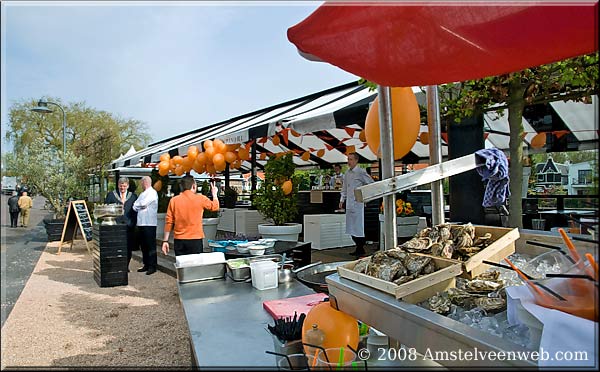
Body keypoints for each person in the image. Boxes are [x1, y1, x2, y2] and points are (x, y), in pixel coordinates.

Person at [162, 176, 219, 257]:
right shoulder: (200, 198)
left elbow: (169, 222)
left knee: (182, 266)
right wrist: (215, 194)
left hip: (179, 239)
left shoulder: (174, 200)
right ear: (194, 186)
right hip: (195, 238)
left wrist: (165, 241)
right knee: (195, 266)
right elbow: (215, 207)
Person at [339, 153, 374, 256]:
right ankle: (358, 247)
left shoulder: (361, 172)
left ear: (356, 160)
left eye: (350, 159)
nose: (348, 162)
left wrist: (365, 197)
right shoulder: (347, 173)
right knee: (350, 227)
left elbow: (371, 183)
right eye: (348, 159)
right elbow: (344, 188)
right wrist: (342, 200)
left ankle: (360, 247)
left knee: (358, 227)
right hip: (349, 203)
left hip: (358, 204)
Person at [105, 177, 138, 271]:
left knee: (128, 247)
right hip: (115, 226)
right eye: (121, 186)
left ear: (127, 186)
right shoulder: (111, 195)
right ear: (118, 185)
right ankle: (117, 266)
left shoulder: (133, 196)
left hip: (129, 226)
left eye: (124, 186)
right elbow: (106, 209)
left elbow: (136, 212)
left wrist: (133, 223)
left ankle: (126, 266)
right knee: (116, 247)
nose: (122, 188)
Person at [133, 176, 159, 275]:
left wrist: (139, 205)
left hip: (149, 223)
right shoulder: (142, 194)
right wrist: (139, 205)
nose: (141, 184)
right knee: (143, 245)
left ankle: (152, 266)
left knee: (150, 245)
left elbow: (143, 203)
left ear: (145, 182)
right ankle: (146, 264)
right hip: (141, 222)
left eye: (141, 183)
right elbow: (135, 206)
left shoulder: (152, 193)